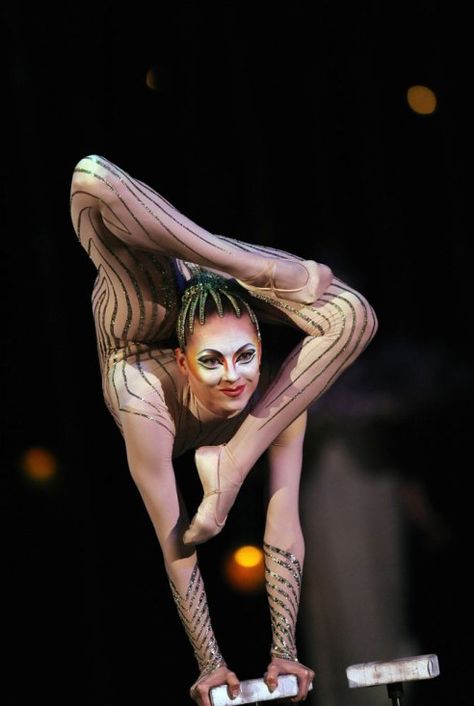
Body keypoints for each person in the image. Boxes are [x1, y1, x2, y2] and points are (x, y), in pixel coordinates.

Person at [70, 154, 378, 705]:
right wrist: (210, 662)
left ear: (261, 349)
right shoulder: (142, 395)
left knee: (354, 313)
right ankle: (238, 263)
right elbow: (177, 543)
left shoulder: (273, 394)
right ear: (186, 365)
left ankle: (232, 462)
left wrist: (285, 647)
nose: (234, 378)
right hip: (139, 323)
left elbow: (284, 519)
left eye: (246, 358)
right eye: (213, 362)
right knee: (92, 177)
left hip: (207, 283)